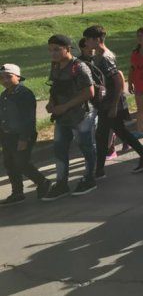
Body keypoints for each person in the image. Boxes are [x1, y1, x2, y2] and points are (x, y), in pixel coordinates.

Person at [83, 25, 143, 178]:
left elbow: (118, 81)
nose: (86, 43)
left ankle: (100, 170)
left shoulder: (105, 57)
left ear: (97, 40)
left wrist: (114, 106)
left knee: (106, 134)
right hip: (106, 102)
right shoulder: (98, 55)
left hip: (111, 103)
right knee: (110, 133)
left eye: (88, 40)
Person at [43, 34, 98, 200]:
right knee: (59, 149)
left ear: (67, 49)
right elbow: (55, 87)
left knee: (86, 147)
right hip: (62, 117)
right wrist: (51, 104)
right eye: (50, 50)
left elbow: (89, 92)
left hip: (82, 116)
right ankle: (61, 184)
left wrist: (64, 106)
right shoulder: (55, 66)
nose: (53, 53)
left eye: (57, 49)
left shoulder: (79, 67)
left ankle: (89, 179)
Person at [0, 64, 50, 205]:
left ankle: (42, 182)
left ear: (18, 77)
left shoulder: (24, 94)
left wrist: (24, 138)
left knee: (21, 163)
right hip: (7, 135)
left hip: (22, 135)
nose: (5, 80)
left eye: (9, 77)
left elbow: (28, 119)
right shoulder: (4, 95)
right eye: (1, 78)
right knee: (9, 163)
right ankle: (17, 192)